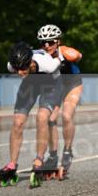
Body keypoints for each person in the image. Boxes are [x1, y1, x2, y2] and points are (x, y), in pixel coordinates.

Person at [0, 41, 61, 187]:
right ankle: (12, 165)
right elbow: (18, 68)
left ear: (30, 62)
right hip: (30, 85)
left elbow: (60, 57)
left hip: (50, 84)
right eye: (16, 70)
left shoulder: (47, 64)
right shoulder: (12, 65)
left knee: (42, 117)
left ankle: (39, 160)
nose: (19, 73)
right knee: (18, 122)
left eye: (22, 68)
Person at [38, 23, 82, 174]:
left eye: (50, 42)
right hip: (55, 87)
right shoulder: (41, 55)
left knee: (67, 115)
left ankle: (68, 151)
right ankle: (53, 155)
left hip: (72, 84)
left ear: (58, 41)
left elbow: (77, 55)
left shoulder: (62, 50)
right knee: (50, 119)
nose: (46, 45)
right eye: (43, 42)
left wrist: (65, 53)